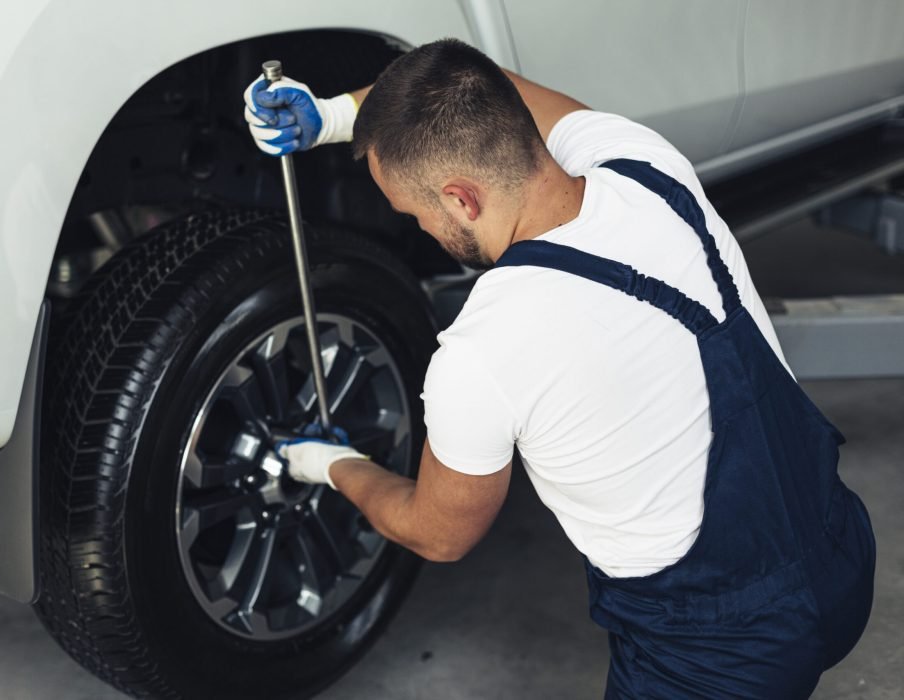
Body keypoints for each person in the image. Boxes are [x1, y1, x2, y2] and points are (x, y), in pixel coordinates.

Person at [243, 39, 875, 698]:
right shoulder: (644, 162)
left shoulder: (483, 349)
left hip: (715, 658)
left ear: (460, 199)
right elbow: (494, 85)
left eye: (414, 212)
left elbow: (438, 534)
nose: (422, 228)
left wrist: (330, 465)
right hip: (839, 556)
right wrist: (333, 116)